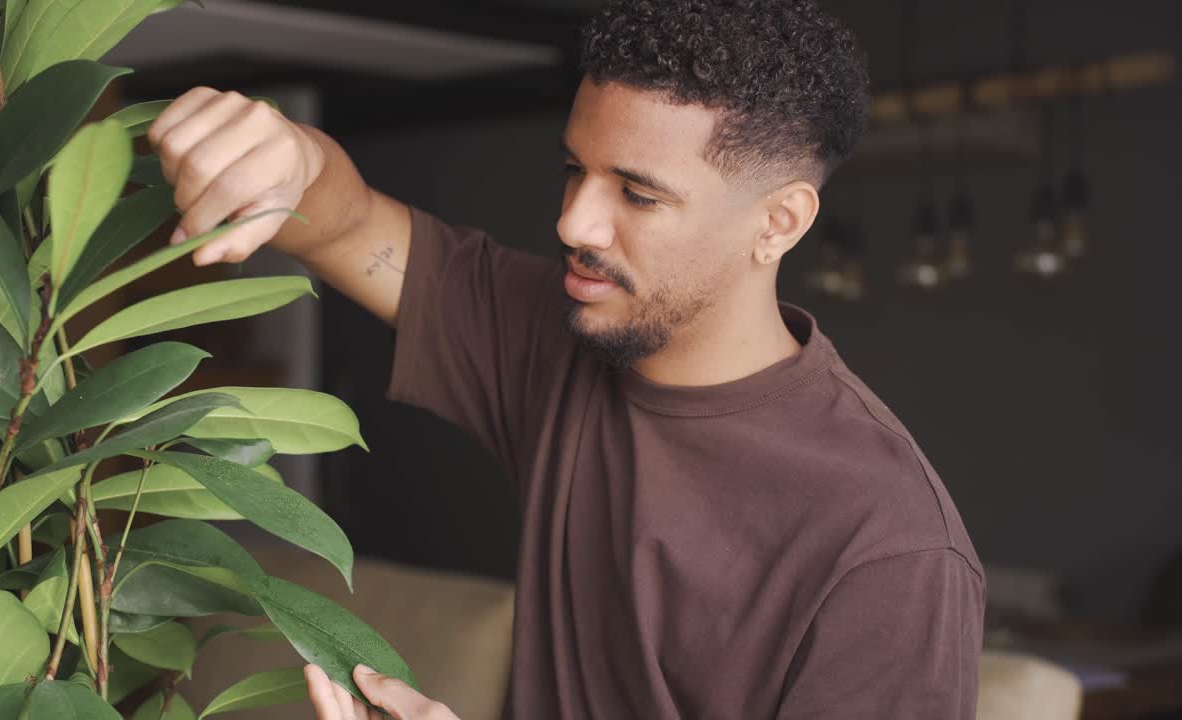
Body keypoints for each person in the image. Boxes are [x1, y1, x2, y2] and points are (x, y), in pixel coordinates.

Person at [148, 0, 984, 717]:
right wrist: (290, 157)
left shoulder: (888, 551)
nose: (576, 223)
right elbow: (344, 223)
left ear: (780, 223)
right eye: (573, 170)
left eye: (637, 193)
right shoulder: (561, 339)